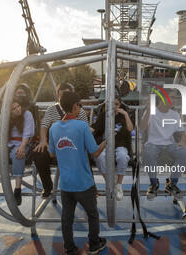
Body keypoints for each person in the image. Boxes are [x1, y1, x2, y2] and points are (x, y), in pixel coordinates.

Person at [49, 91, 107, 255]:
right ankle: (94, 244)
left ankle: (70, 248)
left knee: (67, 218)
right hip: (83, 183)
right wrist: (107, 140)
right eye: (80, 105)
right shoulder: (82, 126)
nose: (80, 108)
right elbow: (95, 153)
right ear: (75, 106)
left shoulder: (53, 128)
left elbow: (52, 153)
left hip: (66, 184)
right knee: (92, 214)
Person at [32, 83, 88, 198]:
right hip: (57, 147)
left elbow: (85, 130)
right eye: (63, 95)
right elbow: (44, 125)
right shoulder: (52, 109)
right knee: (38, 153)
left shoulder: (79, 110)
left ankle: (80, 187)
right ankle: (47, 186)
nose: (65, 98)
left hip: (73, 146)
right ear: (58, 95)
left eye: (67, 95)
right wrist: (43, 141)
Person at [141, 89, 186, 201]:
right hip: (153, 143)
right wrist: (148, 110)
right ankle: (154, 184)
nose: (174, 100)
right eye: (171, 97)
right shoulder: (151, 112)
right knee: (148, 152)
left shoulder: (175, 114)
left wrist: (182, 141)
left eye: (174, 97)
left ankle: (172, 184)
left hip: (170, 144)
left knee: (184, 153)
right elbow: (142, 128)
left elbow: (183, 131)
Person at [91, 92, 134, 201]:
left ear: (120, 105)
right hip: (105, 144)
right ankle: (110, 183)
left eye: (117, 104)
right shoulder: (103, 115)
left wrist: (125, 115)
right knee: (98, 157)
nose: (114, 106)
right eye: (112, 104)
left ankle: (118, 184)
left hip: (120, 144)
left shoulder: (123, 116)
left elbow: (130, 129)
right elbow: (94, 128)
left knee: (123, 156)